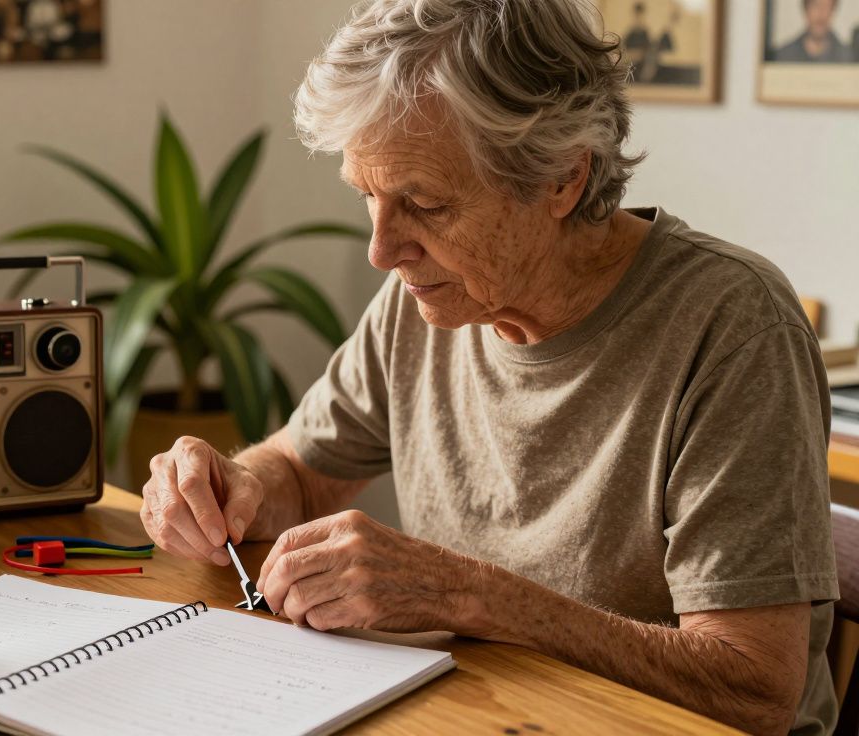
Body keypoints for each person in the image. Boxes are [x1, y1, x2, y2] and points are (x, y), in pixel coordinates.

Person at [138, 1, 837, 733]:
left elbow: (756, 690)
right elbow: (305, 470)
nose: (382, 250)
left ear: (563, 179)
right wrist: (239, 487)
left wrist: (471, 596)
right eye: (367, 196)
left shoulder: (733, 327)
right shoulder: (430, 295)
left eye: (424, 203)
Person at [774, 0, 851, 63]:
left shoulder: (847, 58)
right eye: (816, 6)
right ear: (806, 9)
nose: (821, 14)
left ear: (833, 11)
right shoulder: (785, 56)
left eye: (827, 7)